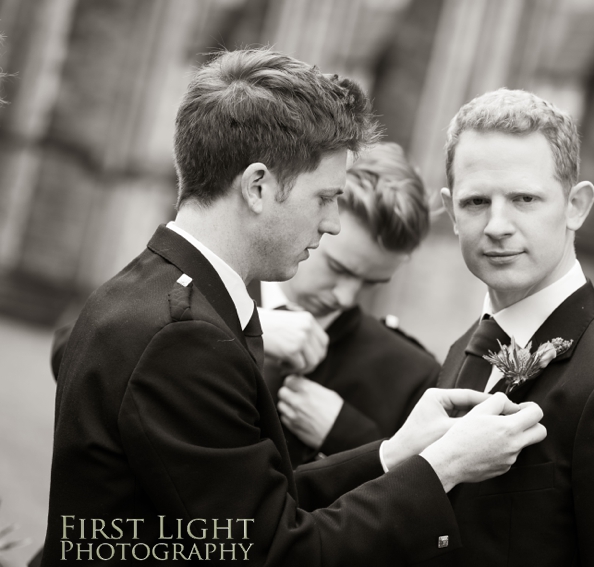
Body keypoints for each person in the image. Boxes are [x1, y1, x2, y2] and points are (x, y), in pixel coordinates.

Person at [39, 49, 547, 566]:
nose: (331, 224)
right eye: (324, 198)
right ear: (258, 186)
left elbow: (245, 510)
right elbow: (276, 552)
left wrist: (393, 454)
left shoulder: (150, 285)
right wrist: (441, 469)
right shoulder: (185, 336)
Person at [437, 89, 594, 567]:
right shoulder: (461, 350)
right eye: (475, 202)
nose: (496, 225)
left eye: (524, 198)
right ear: (450, 211)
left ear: (576, 206)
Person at [254, 142, 441, 467]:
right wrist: (241, 328)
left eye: (371, 282)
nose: (345, 298)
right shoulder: (199, 300)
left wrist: (352, 438)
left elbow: (419, 501)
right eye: (339, 269)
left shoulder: (410, 374)